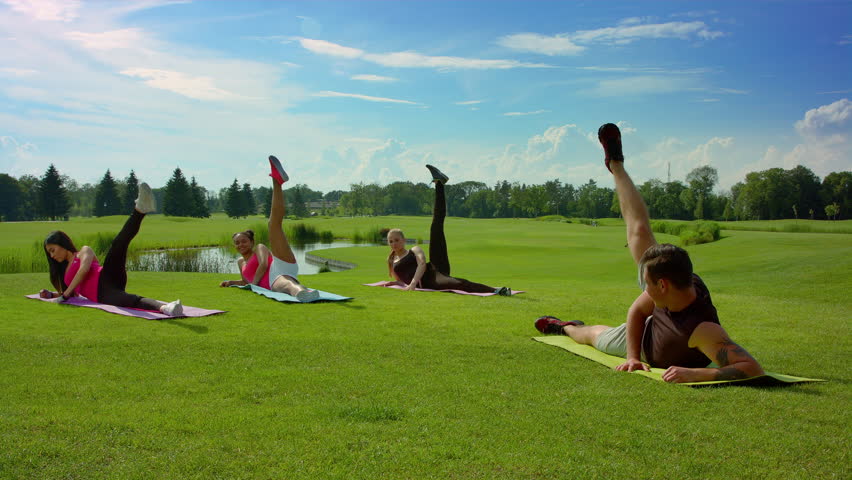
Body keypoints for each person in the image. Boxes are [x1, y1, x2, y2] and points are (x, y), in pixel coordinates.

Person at [535, 123, 764, 383]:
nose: (643, 284)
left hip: (650, 347)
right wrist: (631, 357)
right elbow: (636, 312)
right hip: (640, 340)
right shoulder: (682, 278)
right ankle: (616, 164)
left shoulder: (703, 330)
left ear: (662, 284)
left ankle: (564, 327)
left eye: (647, 281)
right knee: (641, 231)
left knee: (591, 335)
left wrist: (698, 373)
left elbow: (752, 368)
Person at [40, 183, 184, 316]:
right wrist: (52, 295)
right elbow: (70, 294)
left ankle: (140, 210)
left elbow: (83, 270)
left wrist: (63, 296)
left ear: (62, 244)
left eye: (52, 250)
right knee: (129, 300)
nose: (52, 255)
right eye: (49, 253)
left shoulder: (84, 251)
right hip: (101, 293)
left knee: (118, 244)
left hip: (108, 275)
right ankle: (167, 308)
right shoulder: (64, 273)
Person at [387, 164, 512, 296]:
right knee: (457, 283)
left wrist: (413, 284)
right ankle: (495, 289)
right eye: (390, 241)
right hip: (432, 283)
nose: (394, 243)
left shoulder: (414, 249)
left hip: (434, 273)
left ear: (404, 240)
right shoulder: (390, 261)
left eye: (396, 240)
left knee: (436, 227)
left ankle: (439, 183)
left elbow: (422, 264)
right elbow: (400, 280)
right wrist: (396, 284)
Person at [220, 156, 319, 303]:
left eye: (244, 241)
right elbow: (245, 282)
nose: (241, 244)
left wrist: (254, 285)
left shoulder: (260, 248)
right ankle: (303, 292)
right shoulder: (240, 262)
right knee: (289, 285)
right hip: (272, 282)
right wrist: (231, 282)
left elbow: (264, 265)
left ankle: (276, 181)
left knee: (273, 225)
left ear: (252, 242)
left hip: (279, 264)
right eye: (237, 243)